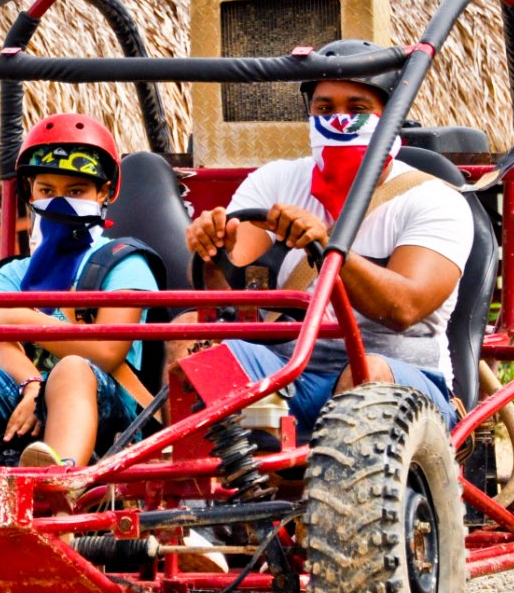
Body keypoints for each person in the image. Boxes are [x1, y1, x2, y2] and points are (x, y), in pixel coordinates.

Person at [182, 40, 472, 430]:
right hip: (288, 366)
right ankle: (196, 485)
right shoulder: (277, 179)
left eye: (357, 109)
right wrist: (212, 247)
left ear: (390, 116)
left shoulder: (434, 200)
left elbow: (404, 308)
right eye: (324, 108)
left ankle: (341, 487)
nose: (338, 120)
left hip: (398, 373)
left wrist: (326, 247)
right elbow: (224, 293)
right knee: (192, 347)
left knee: (365, 373)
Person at [0, 113, 160, 470]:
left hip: (105, 402)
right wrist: (33, 385)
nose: (61, 202)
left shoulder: (123, 263)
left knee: (71, 368)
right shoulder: (13, 273)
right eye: (48, 191)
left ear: (104, 192)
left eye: (77, 191)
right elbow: (3, 340)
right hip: (27, 392)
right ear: (30, 194)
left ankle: (59, 487)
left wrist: (23, 318)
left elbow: (107, 352)